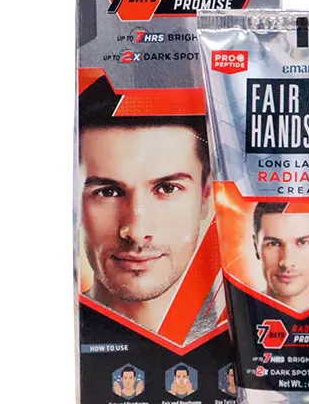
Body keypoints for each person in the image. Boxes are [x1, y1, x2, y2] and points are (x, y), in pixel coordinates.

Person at [79, 77, 212, 333]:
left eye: (167, 188)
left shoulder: (246, 338)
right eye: (108, 192)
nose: (137, 232)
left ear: (205, 194)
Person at [253, 202, 309, 311]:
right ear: (256, 246)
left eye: (302, 242)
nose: (287, 262)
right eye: (273, 244)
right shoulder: (242, 312)